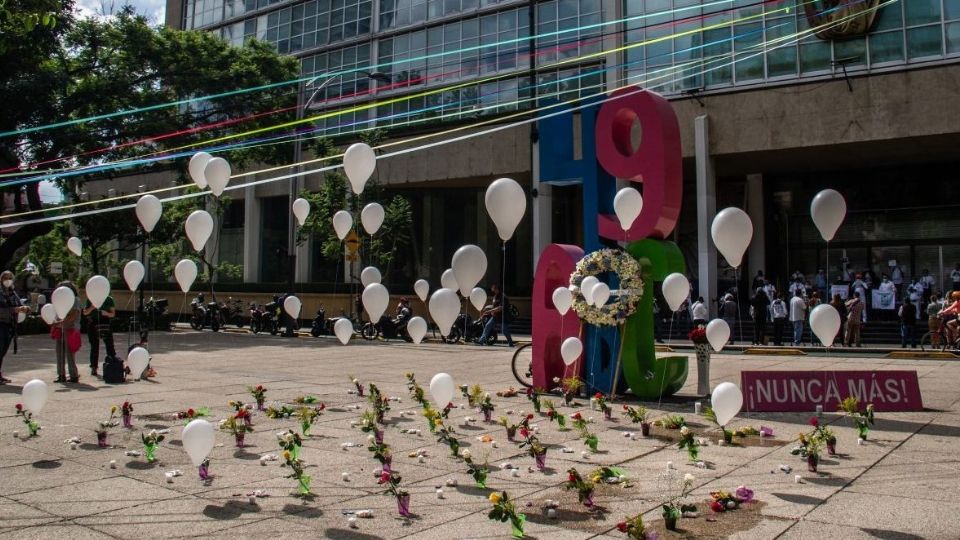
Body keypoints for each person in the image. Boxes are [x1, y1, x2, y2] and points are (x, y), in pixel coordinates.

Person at [0, 271, 29, 384]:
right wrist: (14, 310)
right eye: (5, 278)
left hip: (9, 325)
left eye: (10, 278)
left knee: (2, 352)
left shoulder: (12, 292)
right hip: (1, 324)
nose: (8, 280)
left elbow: (18, 304)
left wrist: (25, 308)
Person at [83, 292, 117, 378]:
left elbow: (113, 314)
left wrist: (106, 313)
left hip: (105, 322)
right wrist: (91, 308)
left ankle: (112, 363)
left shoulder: (109, 299)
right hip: (93, 323)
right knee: (94, 346)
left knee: (109, 344)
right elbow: (85, 313)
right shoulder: (90, 299)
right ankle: (94, 367)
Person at [54, 281, 82, 383]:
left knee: (70, 353)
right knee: (59, 352)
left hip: (71, 329)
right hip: (60, 328)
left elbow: (74, 314)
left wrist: (62, 322)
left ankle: (73, 375)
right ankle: (61, 375)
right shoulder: (59, 299)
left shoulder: (75, 300)